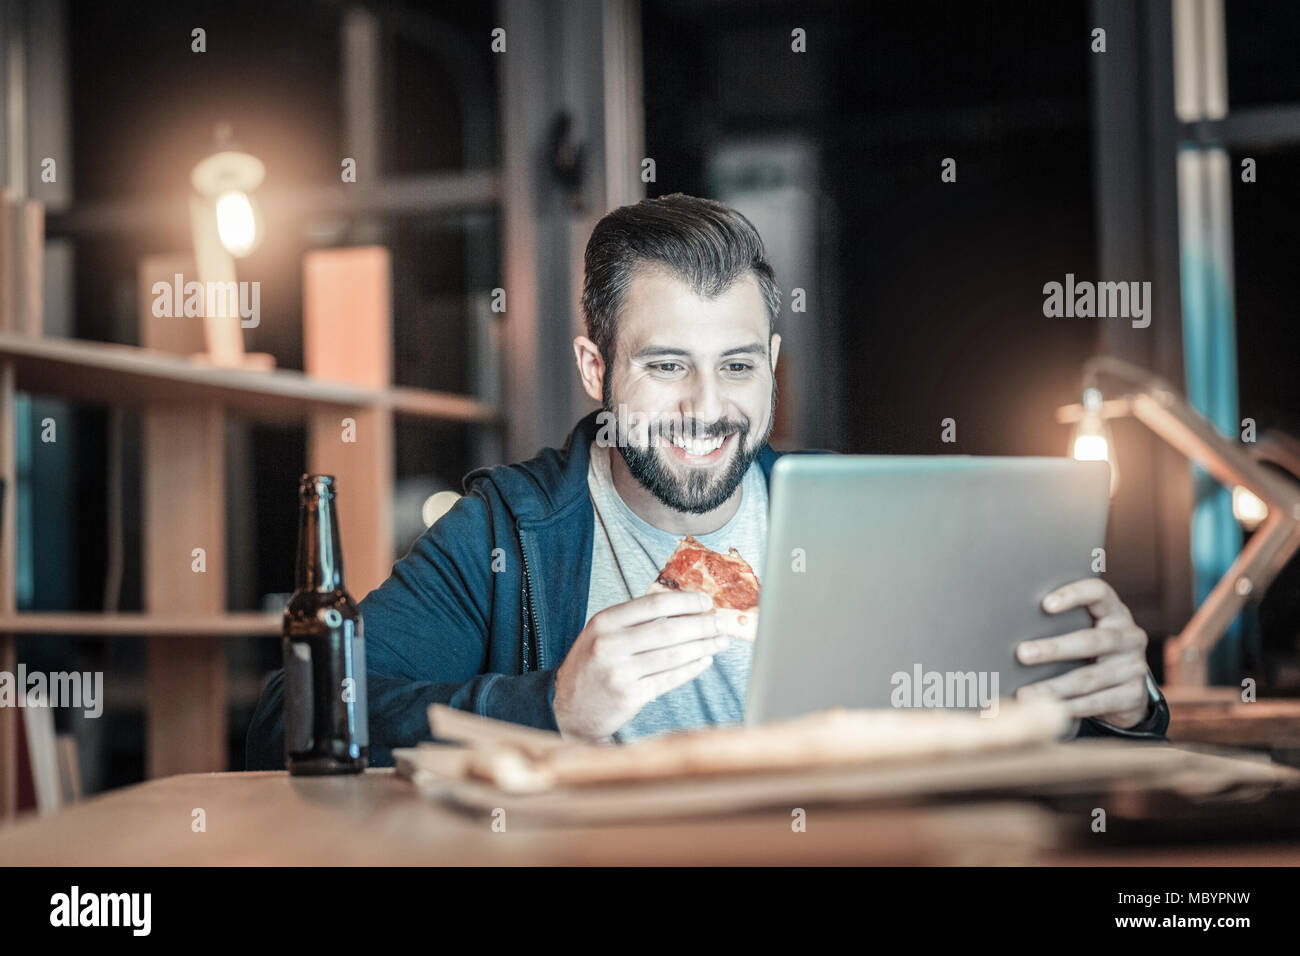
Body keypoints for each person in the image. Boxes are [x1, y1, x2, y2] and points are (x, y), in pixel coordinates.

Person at [246, 193, 1168, 769]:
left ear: (772, 364)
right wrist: (548, 708)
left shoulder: (869, 514)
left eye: (736, 366)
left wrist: (1125, 707)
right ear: (594, 369)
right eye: (664, 366)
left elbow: (1004, 728)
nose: (705, 406)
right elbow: (299, 714)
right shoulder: (510, 531)